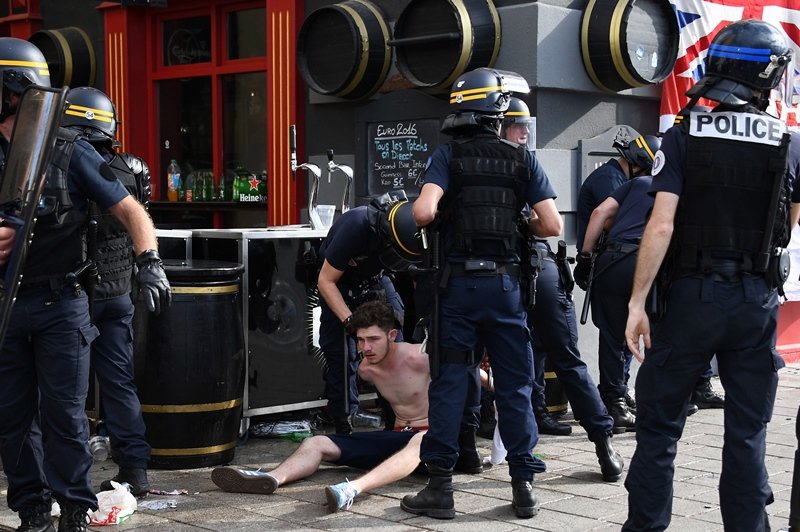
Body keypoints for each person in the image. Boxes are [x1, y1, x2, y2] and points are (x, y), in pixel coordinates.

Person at [623, 20, 800, 530]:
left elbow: (660, 225)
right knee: (747, 433)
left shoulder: (683, 136)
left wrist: (637, 303)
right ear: (764, 78)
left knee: (659, 430)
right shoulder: (787, 143)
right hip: (755, 304)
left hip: (691, 300)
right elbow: (785, 228)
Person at [0, 38, 171, 532]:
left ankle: (75, 509)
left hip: (61, 303)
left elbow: (129, 209)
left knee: (65, 416)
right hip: (7, 304)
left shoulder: (67, 150)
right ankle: (32, 512)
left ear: (13, 89)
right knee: (11, 418)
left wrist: (150, 261)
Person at [401, 67, 562, 520]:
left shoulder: (447, 156)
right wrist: (515, 221)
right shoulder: (521, 159)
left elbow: (423, 212)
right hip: (508, 288)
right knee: (514, 383)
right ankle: (523, 486)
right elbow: (552, 225)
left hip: (459, 289)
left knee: (452, 379)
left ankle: (440, 487)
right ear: (497, 112)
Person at [498, 97, 623, 480]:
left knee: (553, 359)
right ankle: (600, 443)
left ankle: (603, 442)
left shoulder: (465, 159)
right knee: (545, 360)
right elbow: (549, 223)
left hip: (516, 266)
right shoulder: (522, 162)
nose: (523, 133)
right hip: (525, 265)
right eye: (516, 126)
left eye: (525, 126)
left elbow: (549, 226)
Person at [211, 300, 430, 513]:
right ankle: (271, 478)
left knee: (420, 440)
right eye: (361, 340)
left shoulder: (420, 358)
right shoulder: (366, 369)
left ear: (392, 335)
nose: (366, 347)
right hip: (397, 437)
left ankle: (350, 489)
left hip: (431, 441)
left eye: (373, 339)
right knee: (316, 442)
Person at [61, 87, 153, 496]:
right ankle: (135, 471)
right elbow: (143, 220)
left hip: (73, 294)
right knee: (119, 384)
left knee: (69, 391)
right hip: (118, 292)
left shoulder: (64, 166)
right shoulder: (133, 169)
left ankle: (69, 476)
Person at [575, 135, 660, 432]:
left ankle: (616, 398)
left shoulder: (628, 182)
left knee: (616, 334)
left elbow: (602, 215)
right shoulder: (617, 179)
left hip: (611, 262)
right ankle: (632, 401)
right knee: (642, 333)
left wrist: (584, 259)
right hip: (642, 260)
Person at [315, 194, 413, 436]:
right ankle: (344, 424)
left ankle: (397, 421)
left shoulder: (414, 227)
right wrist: (350, 323)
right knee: (343, 351)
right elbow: (325, 281)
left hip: (376, 278)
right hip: (339, 281)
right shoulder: (356, 226)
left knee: (394, 343)